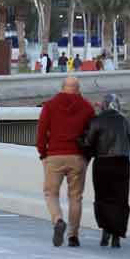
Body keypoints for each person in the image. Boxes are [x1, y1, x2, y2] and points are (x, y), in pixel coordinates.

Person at [36, 76, 95, 248]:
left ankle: (58, 220)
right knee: (75, 197)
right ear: (78, 89)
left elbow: (41, 133)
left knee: (51, 193)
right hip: (77, 157)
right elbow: (92, 135)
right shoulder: (87, 107)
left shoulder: (50, 105)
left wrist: (43, 154)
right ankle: (73, 236)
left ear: (62, 88)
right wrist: (87, 157)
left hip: (54, 155)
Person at [81, 93, 130, 248]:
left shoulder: (97, 121)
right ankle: (117, 235)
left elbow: (88, 143)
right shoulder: (126, 121)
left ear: (104, 105)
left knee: (102, 196)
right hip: (122, 163)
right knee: (120, 198)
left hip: (103, 162)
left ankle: (106, 230)